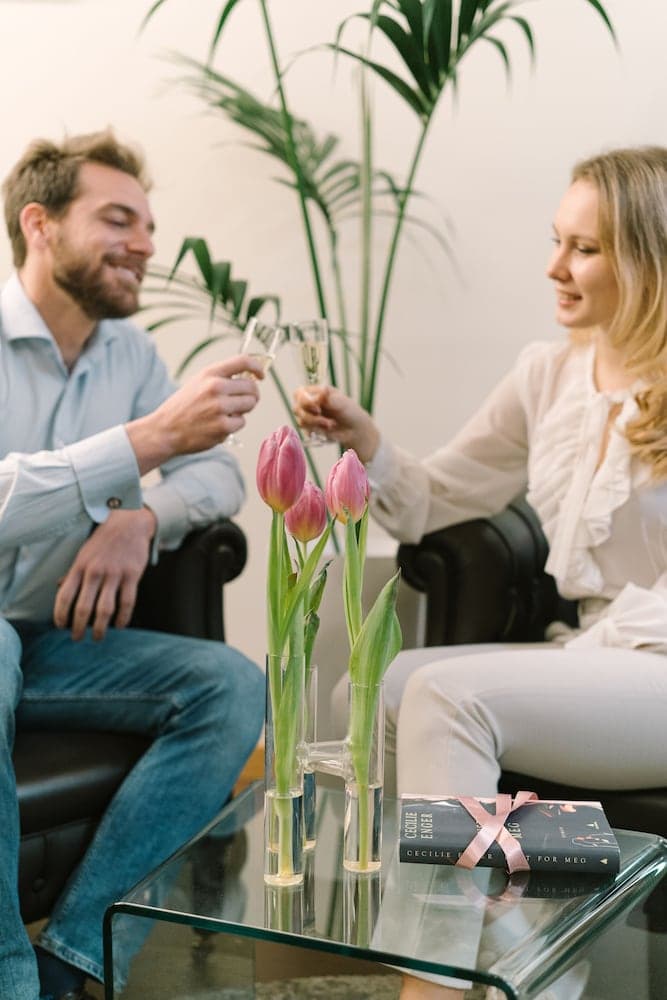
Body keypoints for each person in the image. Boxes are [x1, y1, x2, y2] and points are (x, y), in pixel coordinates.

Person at [295, 145, 667, 999]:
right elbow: (433, 500)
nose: (554, 267)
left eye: (584, 248)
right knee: (375, 689)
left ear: (648, 260)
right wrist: (363, 438)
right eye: (556, 240)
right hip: (599, 650)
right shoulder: (549, 374)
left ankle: (431, 987)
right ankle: (528, 944)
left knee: (449, 700)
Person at [1, 130, 266, 1000]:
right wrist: (142, 445)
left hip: (55, 642)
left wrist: (141, 517)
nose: (147, 244)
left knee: (232, 687)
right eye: (118, 220)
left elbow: (218, 474)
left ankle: (75, 959)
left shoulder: (131, 355)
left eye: (149, 225)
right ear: (39, 225)